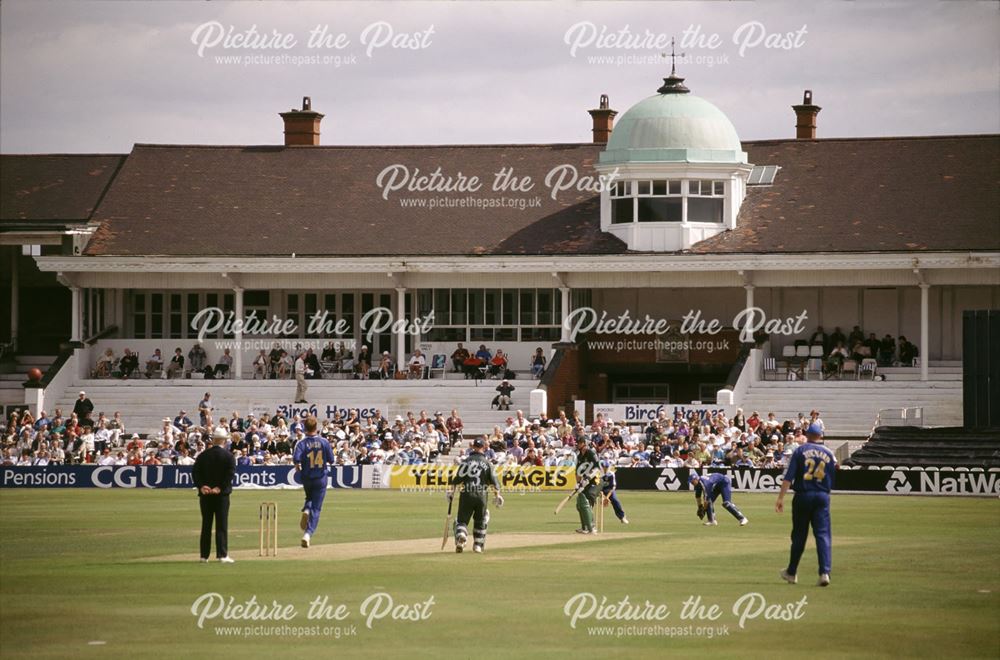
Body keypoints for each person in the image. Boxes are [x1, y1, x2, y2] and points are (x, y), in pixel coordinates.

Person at [776, 422, 836, 587]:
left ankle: (792, 572)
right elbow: (832, 478)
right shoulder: (829, 453)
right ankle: (824, 572)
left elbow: (789, 476)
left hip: (803, 495)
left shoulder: (800, 450)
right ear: (820, 436)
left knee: (799, 535)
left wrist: (780, 498)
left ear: (807, 435)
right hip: (822, 496)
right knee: (823, 535)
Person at [447, 437, 502, 553]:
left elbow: (457, 479)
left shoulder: (466, 461)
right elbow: (494, 482)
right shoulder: (487, 463)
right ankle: (477, 545)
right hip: (481, 495)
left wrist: (450, 492)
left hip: (466, 494)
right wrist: (497, 495)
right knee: (481, 520)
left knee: (461, 520)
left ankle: (462, 535)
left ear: (473, 447)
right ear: (484, 447)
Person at [192, 427, 237, 563]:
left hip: (205, 495)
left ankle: (203, 556)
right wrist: (219, 487)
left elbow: (195, 473)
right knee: (221, 525)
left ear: (214, 439)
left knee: (206, 524)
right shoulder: (229, 456)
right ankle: (222, 555)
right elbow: (229, 475)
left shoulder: (203, 455)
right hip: (221, 496)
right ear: (223, 440)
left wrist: (201, 486)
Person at [293, 416, 335, 548]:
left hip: (307, 477)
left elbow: (296, 459)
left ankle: (306, 509)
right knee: (316, 509)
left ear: (305, 428)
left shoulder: (301, 443)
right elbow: (331, 460)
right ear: (316, 427)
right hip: (320, 477)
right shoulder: (324, 442)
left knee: (309, 498)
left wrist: (298, 465)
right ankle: (308, 534)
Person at [574, 437, 602, 534]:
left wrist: (589, 477)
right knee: (580, 503)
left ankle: (592, 527)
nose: (577, 444)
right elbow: (577, 473)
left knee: (587, 499)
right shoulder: (579, 456)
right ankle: (585, 527)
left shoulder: (591, 453)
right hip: (585, 482)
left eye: (578, 443)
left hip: (596, 481)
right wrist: (578, 484)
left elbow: (598, 468)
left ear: (583, 443)